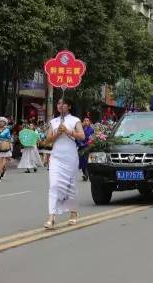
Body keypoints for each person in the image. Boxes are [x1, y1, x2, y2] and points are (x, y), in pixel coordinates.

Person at [43, 98, 85, 229]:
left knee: (70, 185)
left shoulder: (75, 120)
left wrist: (67, 131)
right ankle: (51, 216)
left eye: (63, 103)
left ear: (69, 106)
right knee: (54, 185)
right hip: (56, 157)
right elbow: (47, 141)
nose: (60, 105)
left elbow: (82, 136)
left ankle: (73, 213)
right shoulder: (53, 121)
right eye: (58, 103)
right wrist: (57, 133)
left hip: (70, 156)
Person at [78, 116, 95, 181]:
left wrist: (86, 143)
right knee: (81, 160)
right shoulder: (80, 129)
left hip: (87, 147)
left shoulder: (91, 130)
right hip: (80, 146)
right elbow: (78, 137)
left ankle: (86, 174)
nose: (86, 122)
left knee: (86, 160)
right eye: (85, 120)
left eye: (87, 120)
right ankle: (84, 173)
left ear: (89, 122)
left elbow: (91, 139)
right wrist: (79, 143)